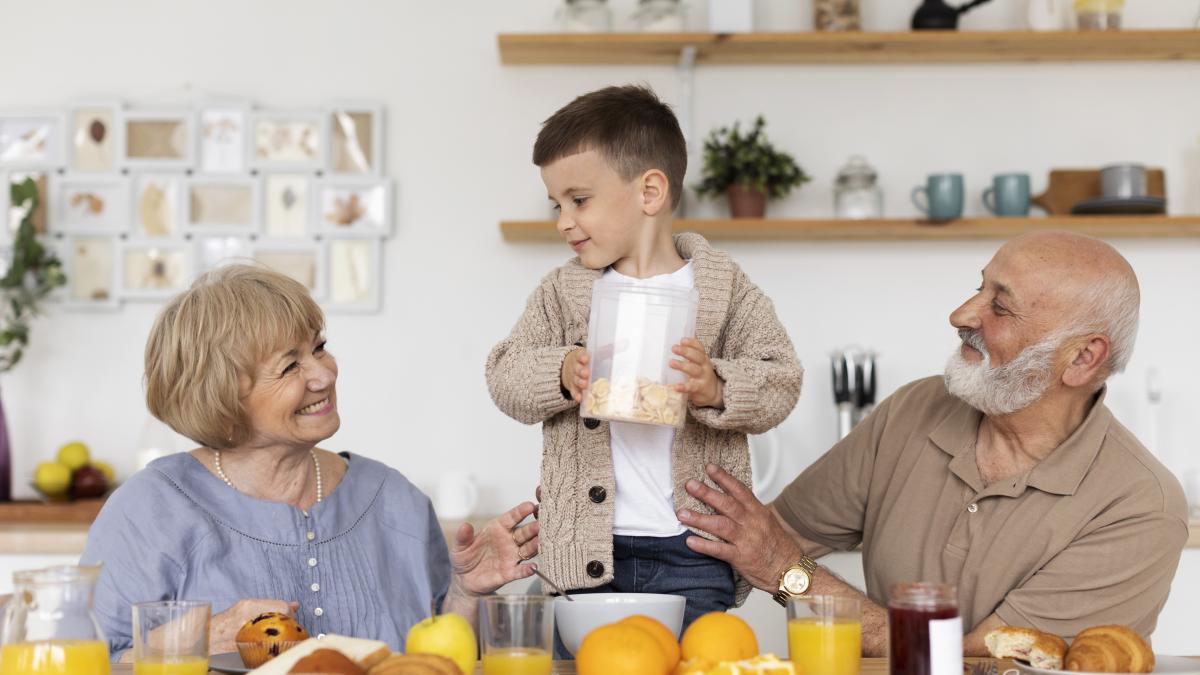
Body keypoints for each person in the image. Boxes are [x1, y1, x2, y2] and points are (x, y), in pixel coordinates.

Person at [679, 231, 1188, 655]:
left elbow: (970, 662)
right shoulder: (917, 409)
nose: (961, 314)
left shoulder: (1140, 507)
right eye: (979, 288)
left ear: (1081, 359)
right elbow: (767, 535)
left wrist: (790, 574)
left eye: (1000, 307)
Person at [83, 265, 540, 661]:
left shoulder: (395, 501)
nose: (324, 374)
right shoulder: (149, 510)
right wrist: (202, 637)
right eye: (290, 366)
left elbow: (439, 660)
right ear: (220, 397)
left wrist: (466, 593)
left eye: (318, 348)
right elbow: (94, 659)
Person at [485, 84, 803, 633]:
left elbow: (782, 378)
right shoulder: (562, 293)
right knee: (579, 666)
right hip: (583, 551)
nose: (563, 221)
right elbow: (503, 374)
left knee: (694, 663)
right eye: (557, 204)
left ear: (650, 191)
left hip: (693, 549)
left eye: (579, 200)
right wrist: (561, 372)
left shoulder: (723, 289)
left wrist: (717, 386)